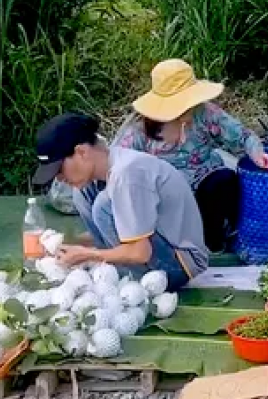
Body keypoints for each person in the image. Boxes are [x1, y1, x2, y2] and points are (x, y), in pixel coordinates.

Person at [114, 59, 268, 252]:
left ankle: (215, 242)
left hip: (204, 184)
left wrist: (258, 155)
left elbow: (243, 136)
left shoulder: (205, 113)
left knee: (224, 181)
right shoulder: (140, 130)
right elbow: (120, 165)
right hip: (165, 198)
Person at [33, 112, 208, 289]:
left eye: (59, 170)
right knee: (83, 194)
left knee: (102, 205)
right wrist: (68, 243)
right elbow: (120, 233)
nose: (60, 179)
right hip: (155, 248)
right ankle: (111, 269)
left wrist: (87, 254)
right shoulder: (107, 170)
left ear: (82, 152)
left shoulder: (126, 174)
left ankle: (124, 274)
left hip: (179, 264)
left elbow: (140, 252)